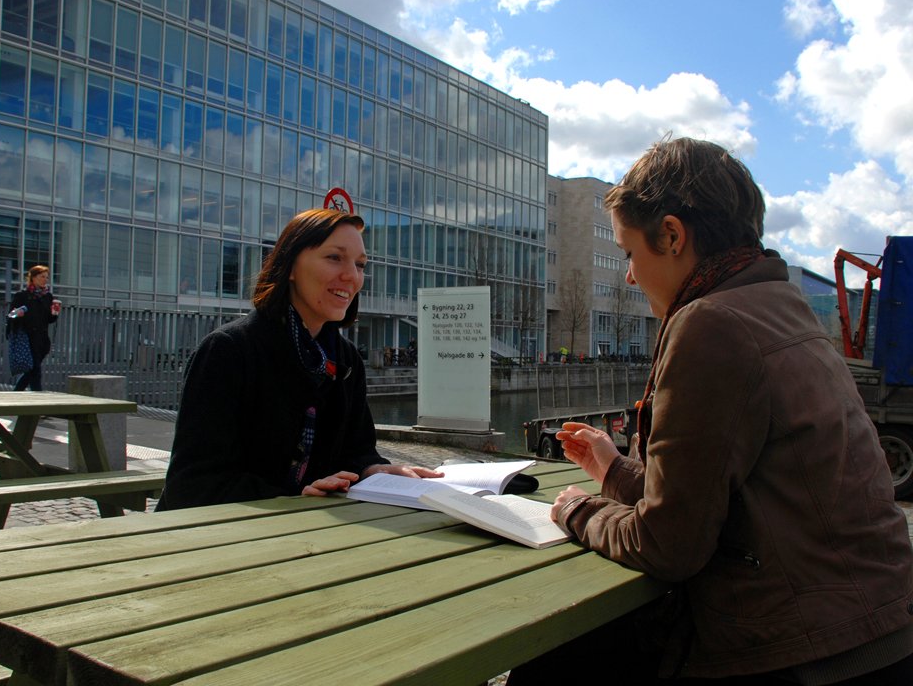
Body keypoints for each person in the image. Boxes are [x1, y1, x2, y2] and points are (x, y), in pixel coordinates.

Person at [510, 138, 913, 684]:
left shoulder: (710, 324)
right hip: (871, 625)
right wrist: (610, 470)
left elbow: (668, 545)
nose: (629, 276)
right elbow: (713, 497)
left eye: (630, 254)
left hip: (806, 654)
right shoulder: (779, 305)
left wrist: (576, 511)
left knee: (554, 663)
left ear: (673, 235)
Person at [157, 209, 441, 509]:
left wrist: (373, 470)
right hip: (216, 539)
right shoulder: (228, 350)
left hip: (310, 534)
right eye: (335, 258)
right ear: (290, 265)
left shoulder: (345, 360)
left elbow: (357, 451)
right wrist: (293, 496)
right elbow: (192, 485)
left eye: (360, 265)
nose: (352, 276)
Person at [7, 265, 60, 392]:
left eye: (47, 277)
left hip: (42, 340)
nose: (45, 280)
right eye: (42, 277)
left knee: (31, 371)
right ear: (33, 278)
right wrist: (17, 314)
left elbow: (49, 320)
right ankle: (38, 401)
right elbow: (11, 315)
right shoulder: (22, 296)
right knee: (35, 372)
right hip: (27, 339)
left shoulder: (48, 297)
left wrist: (55, 313)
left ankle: (15, 396)